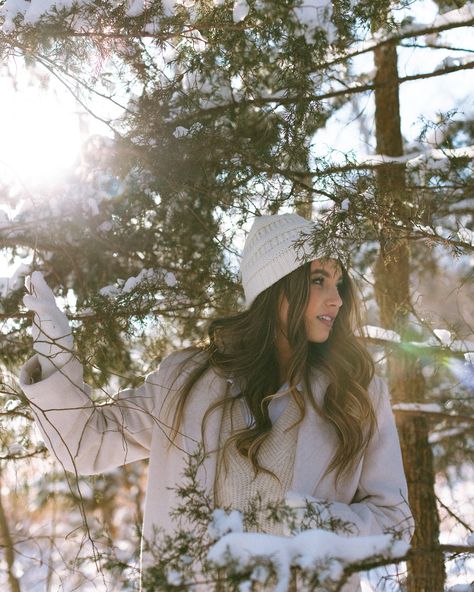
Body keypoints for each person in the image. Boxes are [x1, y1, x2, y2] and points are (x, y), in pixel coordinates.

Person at [20, 213, 413, 591]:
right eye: (318, 281)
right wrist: (56, 350)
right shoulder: (186, 381)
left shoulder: (355, 392)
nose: (337, 300)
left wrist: (305, 520)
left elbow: (394, 523)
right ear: (277, 286)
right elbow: (86, 445)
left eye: (338, 284)